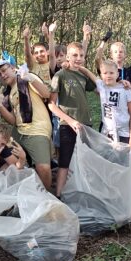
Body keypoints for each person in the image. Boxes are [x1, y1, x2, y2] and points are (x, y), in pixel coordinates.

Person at [0, 59, 53, 189]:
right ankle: (9, 194)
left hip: (36, 129)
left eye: (4, 70)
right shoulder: (8, 92)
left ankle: (48, 197)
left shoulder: (26, 78)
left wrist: (30, 77)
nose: (2, 75)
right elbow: (13, 120)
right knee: (2, 157)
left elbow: (46, 93)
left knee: (43, 168)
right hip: (19, 131)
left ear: (12, 68)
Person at [48, 42, 96, 198]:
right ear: (67, 56)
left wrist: (84, 69)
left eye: (81, 56)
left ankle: (84, 194)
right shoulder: (60, 75)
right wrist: (70, 121)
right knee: (64, 162)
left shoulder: (83, 75)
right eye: (75, 55)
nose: (79, 58)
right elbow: (52, 105)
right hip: (67, 125)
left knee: (85, 162)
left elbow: (100, 87)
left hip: (85, 125)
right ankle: (59, 196)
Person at [79, 60, 131, 149]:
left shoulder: (125, 89)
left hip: (124, 133)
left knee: (123, 161)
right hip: (107, 133)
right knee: (108, 160)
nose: (108, 76)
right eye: (105, 73)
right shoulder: (101, 86)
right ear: (101, 75)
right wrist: (71, 64)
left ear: (117, 74)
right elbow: (86, 71)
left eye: (111, 73)